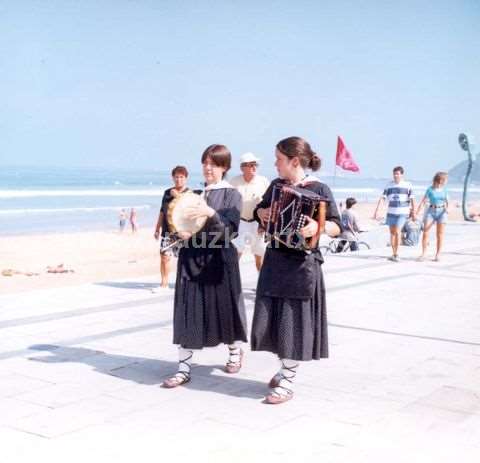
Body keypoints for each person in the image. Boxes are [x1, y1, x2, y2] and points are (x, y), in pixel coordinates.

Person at [251, 136, 341, 404]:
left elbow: (337, 225)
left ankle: (288, 380)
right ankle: (284, 369)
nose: (275, 165)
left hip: (302, 266)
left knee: (294, 322)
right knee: (276, 321)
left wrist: (318, 227)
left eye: (279, 160)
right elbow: (259, 210)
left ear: (294, 161)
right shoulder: (276, 186)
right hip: (275, 261)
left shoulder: (320, 189)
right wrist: (261, 214)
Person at [162, 144, 247, 388]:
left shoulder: (232, 195)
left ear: (224, 167)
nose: (209, 168)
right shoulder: (195, 194)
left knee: (226, 309)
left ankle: (234, 351)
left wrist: (211, 213)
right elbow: (181, 224)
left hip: (220, 259)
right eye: (206, 163)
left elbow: (230, 231)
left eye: (215, 164)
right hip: (192, 257)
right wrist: (181, 232)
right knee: (188, 311)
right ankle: (183, 368)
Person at [230, 152, 270, 271]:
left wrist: (264, 225)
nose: (254, 167)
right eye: (251, 164)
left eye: (255, 164)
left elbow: (269, 204)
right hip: (240, 223)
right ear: (243, 167)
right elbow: (228, 203)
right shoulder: (234, 181)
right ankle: (231, 285)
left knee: (259, 257)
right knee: (235, 255)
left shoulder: (263, 181)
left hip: (258, 224)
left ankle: (261, 286)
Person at [154, 166, 190, 288]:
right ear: (173, 178)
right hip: (167, 232)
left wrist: (178, 196)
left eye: (181, 177)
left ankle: (184, 283)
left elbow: (189, 210)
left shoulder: (190, 194)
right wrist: (157, 228)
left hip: (182, 232)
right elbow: (162, 212)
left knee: (184, 259)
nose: (179, 180)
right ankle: (164, 283)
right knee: (164, 257)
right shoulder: (166, 193)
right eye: (176, 177)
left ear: (186, 178)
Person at [373, 166, 415, 262]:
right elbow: (383, 198)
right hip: (391, 212)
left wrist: (413, 212)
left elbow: (412, 199)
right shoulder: (389, 185)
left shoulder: (408, 185)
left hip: (402, 212)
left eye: (398, 174)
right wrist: (377, 210)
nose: (396, 175)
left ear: (402, 174)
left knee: (397, 232)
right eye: (394, 174)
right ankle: (393, 253)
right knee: (392, 233)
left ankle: (397, 254)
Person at [416, 171, 449, 261]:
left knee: (440, 234)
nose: (446, 181)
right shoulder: (430, 189)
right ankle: (424, 254)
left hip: (442, 212)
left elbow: (447, 202)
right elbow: (423, 201)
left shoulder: (445, 190)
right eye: (445, 179)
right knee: (425, 232)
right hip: (431, 211)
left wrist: (447, 209)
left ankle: (438, 254)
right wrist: (417, 212)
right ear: (440, 180)